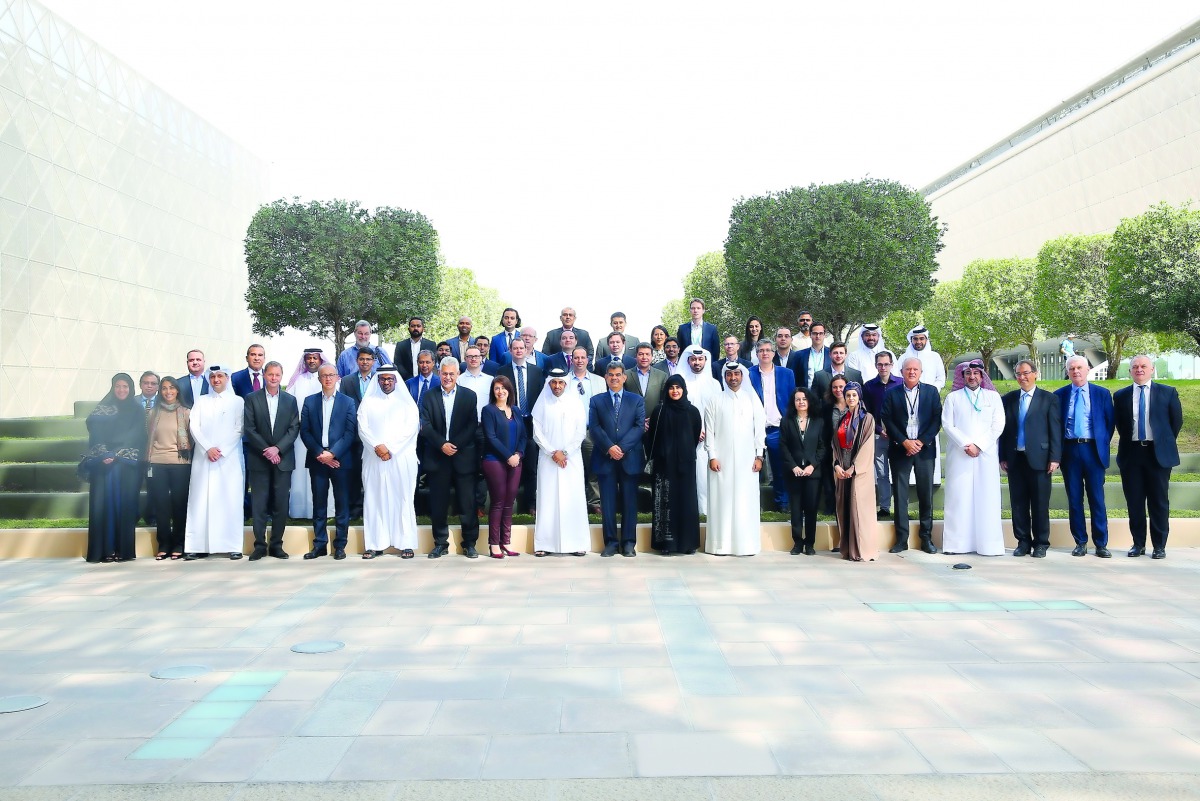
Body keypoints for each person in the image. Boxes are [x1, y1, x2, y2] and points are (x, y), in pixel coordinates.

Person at [1114, 355, 1183, 559]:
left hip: (1158, 454)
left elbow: (1175, 423)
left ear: (1152, 370)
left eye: (1144, 366)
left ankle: (1159, 546)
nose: (1139, 369)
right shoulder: (1121, 395)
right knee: (1134, 501)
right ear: (1130, 371)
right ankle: (1138, 544)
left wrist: (1161, 442)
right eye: (1135, 366)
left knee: (1158, 501)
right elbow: (1121, 424)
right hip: (1132, 454)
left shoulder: (1168, 392)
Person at [941, 361, 1006, 556]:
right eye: (968, 373)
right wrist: (966, 444)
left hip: (985, 454)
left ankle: (989, 546)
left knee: (987, 498)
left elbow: (998, 424)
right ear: (962, 376)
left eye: (976, 373)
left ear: (981, 375)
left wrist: (979, 445)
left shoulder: (993, 397)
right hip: (960, 455)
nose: (972, 377)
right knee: (959, 498)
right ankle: (956, 545)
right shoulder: (953, 398)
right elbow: (948, 424)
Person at [999, 359, 1061, 558]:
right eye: (1018, 374)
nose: (1022, 377)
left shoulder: (1048, 399)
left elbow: (1055, 431)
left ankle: (1041, 543)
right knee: (1018, 503)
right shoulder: (1008, 399)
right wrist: (1003, 456)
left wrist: (1055, 458)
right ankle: (1023, 541)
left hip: (1041, 459)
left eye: (1026, 373)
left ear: (1035, 374)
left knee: (1040, 504)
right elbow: (1004, 431)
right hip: (1015, 459)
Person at [420, 357, 481, 558]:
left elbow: (472, 425)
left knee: (467, 503)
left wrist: (454, 445)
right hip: (438, 458)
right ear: (439, 373)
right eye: (444, 373)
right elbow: (425, 425)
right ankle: (440, 543)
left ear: (457, 375)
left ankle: (470, 543)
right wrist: (441, 444)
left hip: (462, 456)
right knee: (438, 504)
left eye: (451, 374)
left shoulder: (469, 396)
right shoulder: (428, 396)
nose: (447, 377)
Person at [1055, 355, 1115, 557]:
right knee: (1074, 499)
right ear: (1068, 372)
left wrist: (1100, 444)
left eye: (1079, 367)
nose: (1076, 371)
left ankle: (1101, 543)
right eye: (1071, 369)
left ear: (1088, 369)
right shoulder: (1060, 395)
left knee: (1097, 498)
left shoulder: (1102, 394)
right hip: (1070, 450)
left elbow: (1109, 424)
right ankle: (1080, 542)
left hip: (1093, 450)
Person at [881, 357, 942, 554]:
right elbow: (887, 419)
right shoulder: (892, 393)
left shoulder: (931, 392)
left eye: (916, 369)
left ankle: (926, 538)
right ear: (902, 371)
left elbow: (936, 419)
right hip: (901, 449)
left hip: (924, 450)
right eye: (908, 369)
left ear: (921, 372)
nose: (912, 372)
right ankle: (901, 539)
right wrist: (904, 441)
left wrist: (921, 441)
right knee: (900, 494)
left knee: (926, 494)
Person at [357, 367, 420, 559]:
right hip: (373, 459)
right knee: (374, 500)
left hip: (401, 458)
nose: (386, 382)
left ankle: (406, 543)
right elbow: (362, 428)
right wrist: (377, 446)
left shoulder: (407, 404)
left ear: (396, 380)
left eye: (389, 379)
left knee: (403, 499)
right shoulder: (367, 403)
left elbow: (410, 430)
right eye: (382, 379)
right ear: (377, 381)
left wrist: (389, 448)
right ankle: (375, 544)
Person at [184, 364, 245, 560]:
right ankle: (197, 546)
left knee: (230, 500)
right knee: (200, 500)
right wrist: (207, 448)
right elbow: (194, 425)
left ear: (227, 378)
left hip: (229, 459)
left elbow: (239, 428)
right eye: (213, 377)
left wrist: (222, 450)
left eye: (220, 376)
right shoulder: (201, 401)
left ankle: (233, 545)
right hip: (204, 458)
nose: (216, 380)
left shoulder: (237, 401)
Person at [704, 363, 766, 556]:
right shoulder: (715, 399)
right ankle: (720, 545)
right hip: (720, 461)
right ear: (725, 377)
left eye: (736, 374)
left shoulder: (751, 400)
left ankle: (745, 545)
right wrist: (712, 456)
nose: (733, 377)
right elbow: (710, 432)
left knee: (744, 500)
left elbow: (759, 430)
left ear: (742, 376)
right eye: (729, 374)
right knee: (721, 500)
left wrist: (759, 455)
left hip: (747, 460)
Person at [83, 373, 144, 563]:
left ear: (131, 388)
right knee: (104, 507)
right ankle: (104, 550)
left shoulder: (136, 409)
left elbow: (137, 433)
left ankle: (121, 550)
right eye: (118, 386)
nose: (121, 390)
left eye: (125, 387)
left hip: (126, 465)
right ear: (112, 387)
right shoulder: (102, 408)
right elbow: (94, 431)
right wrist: (104, 454)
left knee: (123, 507)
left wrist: (117, 453)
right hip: (103, 465)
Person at [299, 364, 358, 560]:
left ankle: (340, 545)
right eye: (324, 375)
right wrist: (320, 454)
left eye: (331, 375)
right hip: (317, 460)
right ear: (319, 378)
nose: (328, 379)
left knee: (342, 504)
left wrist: (332, 454)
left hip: (340, 461)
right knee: (319, 504)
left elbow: (350, 433)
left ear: (337, 377)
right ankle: (320, 544)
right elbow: (305, 431)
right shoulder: (309, 402)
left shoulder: (348, 402)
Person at [243, 360, 299, 561]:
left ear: (281, 377)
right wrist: (267, 450)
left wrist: (278, 449)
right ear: (264, 376)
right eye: (270, 375)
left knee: (280, 504)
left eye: (277, 375)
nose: (273, 378)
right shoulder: (251, 398)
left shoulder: (290, 400)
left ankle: (276, 545)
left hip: (283, 460)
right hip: (259, 459)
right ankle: (259, 545)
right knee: (259, 504)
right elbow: (249, 428)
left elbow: (294, 428)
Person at [531, 368, 590, 556]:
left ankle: (577, 544)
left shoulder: (576, 403)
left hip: (571, 459)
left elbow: (580, 432)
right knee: (547, 500)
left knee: (572, 499)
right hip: (548, 459)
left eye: (561, 382)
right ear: (549, 383)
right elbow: (537, 433)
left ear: (566, 383)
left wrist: (564, 452)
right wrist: (552, 452)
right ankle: (545, 545)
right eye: (554, 382)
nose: (557, 386)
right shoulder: (542, 404)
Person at [590, 362, 646, 557]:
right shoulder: (596, 401)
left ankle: (629, 543)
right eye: (611, 375)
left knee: (630, 503)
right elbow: (595, 428)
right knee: (608, 504)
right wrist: (609, 447)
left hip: (629, 458)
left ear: (624, 378)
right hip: (605, 458)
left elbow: (639, 427)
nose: (614, 378)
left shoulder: (636, 400)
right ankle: (611, 543)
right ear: (606, 378)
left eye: (618, 375)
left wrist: (621, 448)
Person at [647, 374, 702, 555]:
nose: (675, 391)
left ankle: (688, 544)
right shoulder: (659, 411)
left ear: (684, 389)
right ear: (667, 390)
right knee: (665, 503)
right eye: (671, 388)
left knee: (686, 503)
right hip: (664, 466)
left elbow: (694, 437)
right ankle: (666, 544)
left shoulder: (692, 411)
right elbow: (651, 437)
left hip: (685, 465)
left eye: (678, 388)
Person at [144, 376, 190, 560]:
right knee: (161, 506)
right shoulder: (153, 413)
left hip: (180, 464)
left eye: (172, 388)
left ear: (177, 390)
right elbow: (148, 436)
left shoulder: (187, 412)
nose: (168, 391)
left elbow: (191, 439)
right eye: (164, 388)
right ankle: (163, 544)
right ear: (160, 391)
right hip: (157, 463)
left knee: (179, 505)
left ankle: (179, 543)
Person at [497, 337, 545, 513]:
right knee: (509, 463)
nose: (518, 351)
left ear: (527, 350)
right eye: (515, 348)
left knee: (531, 466)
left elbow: (541, 399)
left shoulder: (537, 371)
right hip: (510, 423)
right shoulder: (501, 372)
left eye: (521, 348)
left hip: (531, 423)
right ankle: (508, 504)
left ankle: (531, 504)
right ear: (510, 351)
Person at [748, 339, 796, 511]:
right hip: (755, 428)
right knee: (752, 468)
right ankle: (753, 505)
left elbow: (792, 401)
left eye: (768, 350)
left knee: (780, 467)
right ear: (756, 353)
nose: (765, 353)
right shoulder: (748, 373)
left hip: (778, 427)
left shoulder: (787, 373)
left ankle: (782, 503)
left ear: (774, 353)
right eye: (761, 350)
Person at [481, 376, 526, 558]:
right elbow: (491, 438)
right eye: (496, 388)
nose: (500, 391)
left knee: (509, 503)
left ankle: (505, 542)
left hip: (516, 461)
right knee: (498, 502)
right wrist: (508, 456)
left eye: (503, 388)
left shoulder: (515, 410)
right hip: (494, 461)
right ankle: (494, 544)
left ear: (509, 390)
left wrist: (518, 455)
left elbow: (523, 436)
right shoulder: (488, 410)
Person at [286, 348, 333, 519]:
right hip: (301, 435)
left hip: (325, 436)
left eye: (315, 358)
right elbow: (289, 406)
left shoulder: (329, 379)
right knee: (300, 471)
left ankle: (326, 509)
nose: (312, 361)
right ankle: (300, 510)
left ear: (321, 360)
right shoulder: (297, 380)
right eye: (309, 358)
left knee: (323, 471)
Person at [832, 382, 876, 562]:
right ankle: (849, 549)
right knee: (846, 508)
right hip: (844, 467)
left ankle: (863, 550)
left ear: (859, 397)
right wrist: (837, 465)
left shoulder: (867, 418)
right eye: (848, 395)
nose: (850, 398)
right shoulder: (843, 418)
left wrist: (854, 468)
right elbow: (835, 444)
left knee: (860, 510)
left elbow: (867, 446)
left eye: (854, 395)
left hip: (859, 470)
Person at [780, 387, 825, 555]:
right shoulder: (786, 421)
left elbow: (822, 447)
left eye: (804, 399)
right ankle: (797, 543)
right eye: (798, 399)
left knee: (811, 509)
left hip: (813, 473)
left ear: (809, 401)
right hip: (794, 473)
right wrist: (794, 466)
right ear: (794, 402)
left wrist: (812, 465)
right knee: (796, 509)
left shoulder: (818, 421)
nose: (801, 402)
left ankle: (810, 544)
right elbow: (783, 446)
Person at [861, 350, 902, 519]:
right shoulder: (869, 386)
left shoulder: (901, 383)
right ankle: (885, 506)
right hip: (878, 436)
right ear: (875, 365)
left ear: (892, 365)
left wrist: (897, 432)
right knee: (882, 473)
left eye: (886, 364)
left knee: (899, 472)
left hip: (899, 437)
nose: (883, 367)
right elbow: (867, 412)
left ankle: (900, 505)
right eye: (880, 364)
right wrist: (879, 430)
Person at [681, 345, 721, 514]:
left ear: (705, 360)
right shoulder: (680, 381)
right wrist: (692, 430)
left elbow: (718, 411)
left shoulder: (714, 384)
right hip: (684, 435)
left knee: (705, 476)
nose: (697, 363)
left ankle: (705, 510)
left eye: (700, 359)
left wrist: (705, 430)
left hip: (708, 436)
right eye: (693, 359)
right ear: (688, 360)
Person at [624, 343, 667, 424]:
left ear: (652, 356)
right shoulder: (625, 375)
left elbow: (663, 401)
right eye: (641, 354)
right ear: (635, 356)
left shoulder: (662, 376)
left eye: (647, 354)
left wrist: (655, 417)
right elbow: (622, 401)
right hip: (631, 423)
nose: (644, 357)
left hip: (654, 422)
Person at [394, 316, 437, 382]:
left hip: (426, 381)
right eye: (413, 326)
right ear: (409, 329)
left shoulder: (431, 345)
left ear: (423, 329)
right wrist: (410, 379)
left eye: (418, 326)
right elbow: (398, 364)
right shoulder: (401, 345)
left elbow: (433, 364)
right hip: (406, 381)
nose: (415, 328)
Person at [794, 323, 832, 388]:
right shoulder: (799, 355)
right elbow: (796, 377)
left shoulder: (831, 354)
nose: (818, 336)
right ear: (810, 334)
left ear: (824, 335)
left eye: (820, 333)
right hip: (806, 394)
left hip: (826, 394)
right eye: (815, 333)